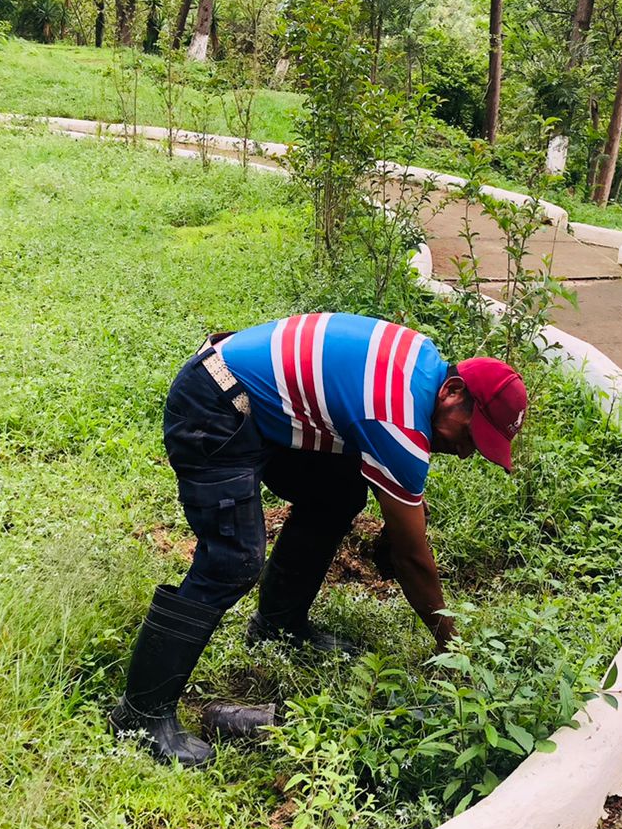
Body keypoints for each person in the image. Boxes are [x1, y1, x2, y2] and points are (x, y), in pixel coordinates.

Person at [110, 313, 528, 767]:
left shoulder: (424, 364)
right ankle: (139, 715)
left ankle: (278, 624)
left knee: (338, 491)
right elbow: (411, 556)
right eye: (470, 435)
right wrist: (452, 646)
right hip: (215, 403)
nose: (466, 452)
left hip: (249, 396)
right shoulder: (399, 420)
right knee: (232, 559)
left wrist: (403, 519)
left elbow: (392, 485)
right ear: (453, 393)